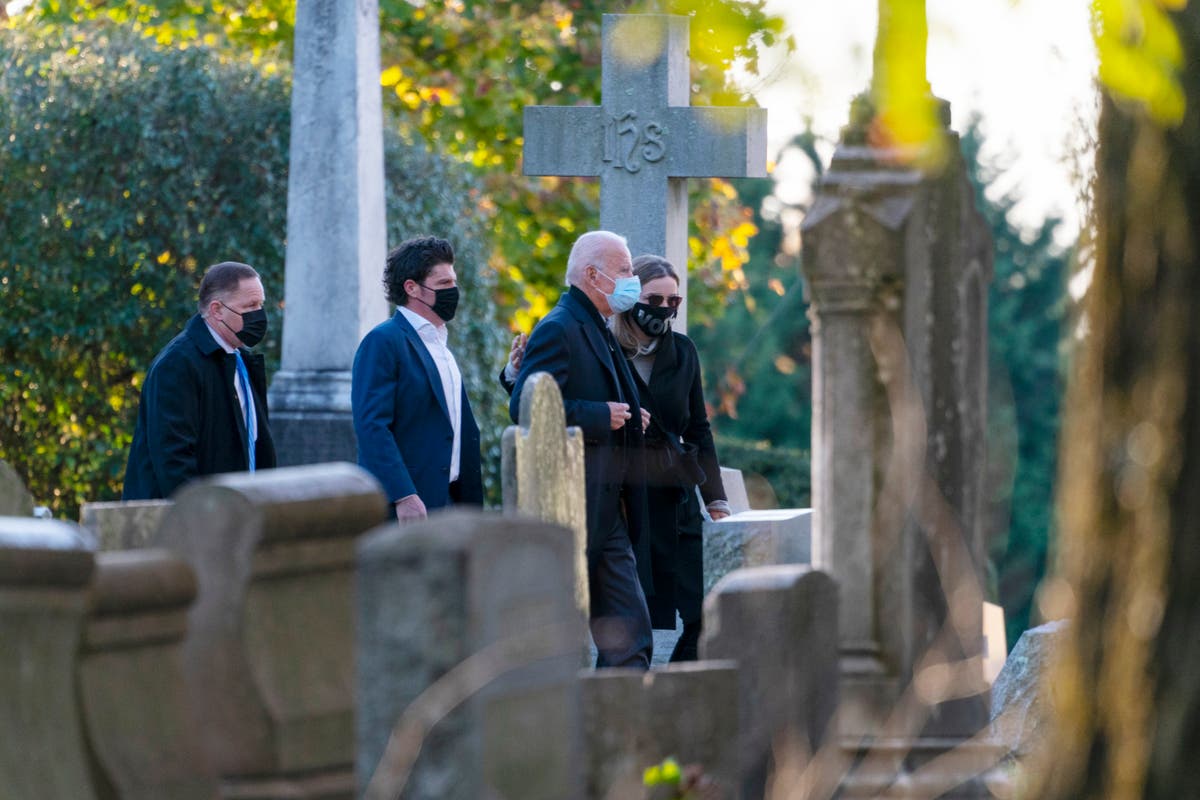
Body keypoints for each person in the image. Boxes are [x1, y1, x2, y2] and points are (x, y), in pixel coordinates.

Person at [507, 230, 654, 669]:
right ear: (594, 275)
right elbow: (526, 406)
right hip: (580, 504)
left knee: (629, 637)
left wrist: (629, 419)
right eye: (625, 270)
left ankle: (613, 725)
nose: (633, 280)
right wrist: (597, 414)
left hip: (607, 507)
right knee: (626, 638)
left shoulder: (596, 324)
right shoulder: (560, 327)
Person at [608, 255, 730, 661]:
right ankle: (618, 700)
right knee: (629, 618)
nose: (663, 309)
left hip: (676, 497)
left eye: (672, 300)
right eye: (653, 299)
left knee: (705, 614)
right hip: (625, 501)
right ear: (631, 298)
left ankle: (675, 695)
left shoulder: (682, 351)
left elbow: (699, 427)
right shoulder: (604, 348)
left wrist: (716, 499)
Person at [352, 235, 482, 522]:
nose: (454, 291)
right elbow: (372, 426)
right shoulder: (383, 341)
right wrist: (403, 495)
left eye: (454, 282)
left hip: (452, 500)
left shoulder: (441, 345)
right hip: (410, 506)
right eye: (443, 284)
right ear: (411, 287)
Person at [122, 261, 276, 499]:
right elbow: (174, 459)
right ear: (217, 310)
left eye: (260, 305)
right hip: (188, 523)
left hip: (235, 514)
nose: (259, 315)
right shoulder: (177, 365)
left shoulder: (240, 360)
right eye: (250, 306)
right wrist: (205, 518)